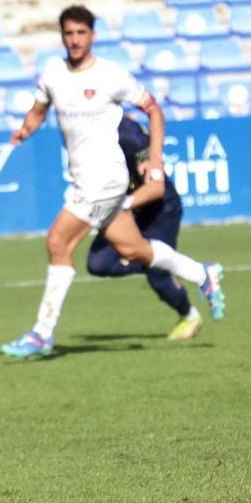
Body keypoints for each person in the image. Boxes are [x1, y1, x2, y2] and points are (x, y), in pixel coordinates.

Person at [1, 5, 225, 359]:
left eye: (81, 33)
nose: (74, 40)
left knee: (58, 241)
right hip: (82, 180)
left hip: (104, 179)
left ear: (92, 35)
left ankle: (42, 333)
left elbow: (153, 108)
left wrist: (154, 160)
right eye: (68, 33)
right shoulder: (53, 72)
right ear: (62, 36)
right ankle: (203, 274)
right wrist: (26, 129)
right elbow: (40, 108)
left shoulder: (111, 75)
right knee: (135, 249)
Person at [86, 117, 202, 340]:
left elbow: (155, 188)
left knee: (157, 277)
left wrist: (122, 206)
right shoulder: (83, 134)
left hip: (159, 209)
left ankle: (189, 315)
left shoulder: (130, 136)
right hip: (127, 210)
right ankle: (165, 264)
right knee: (97, 263)